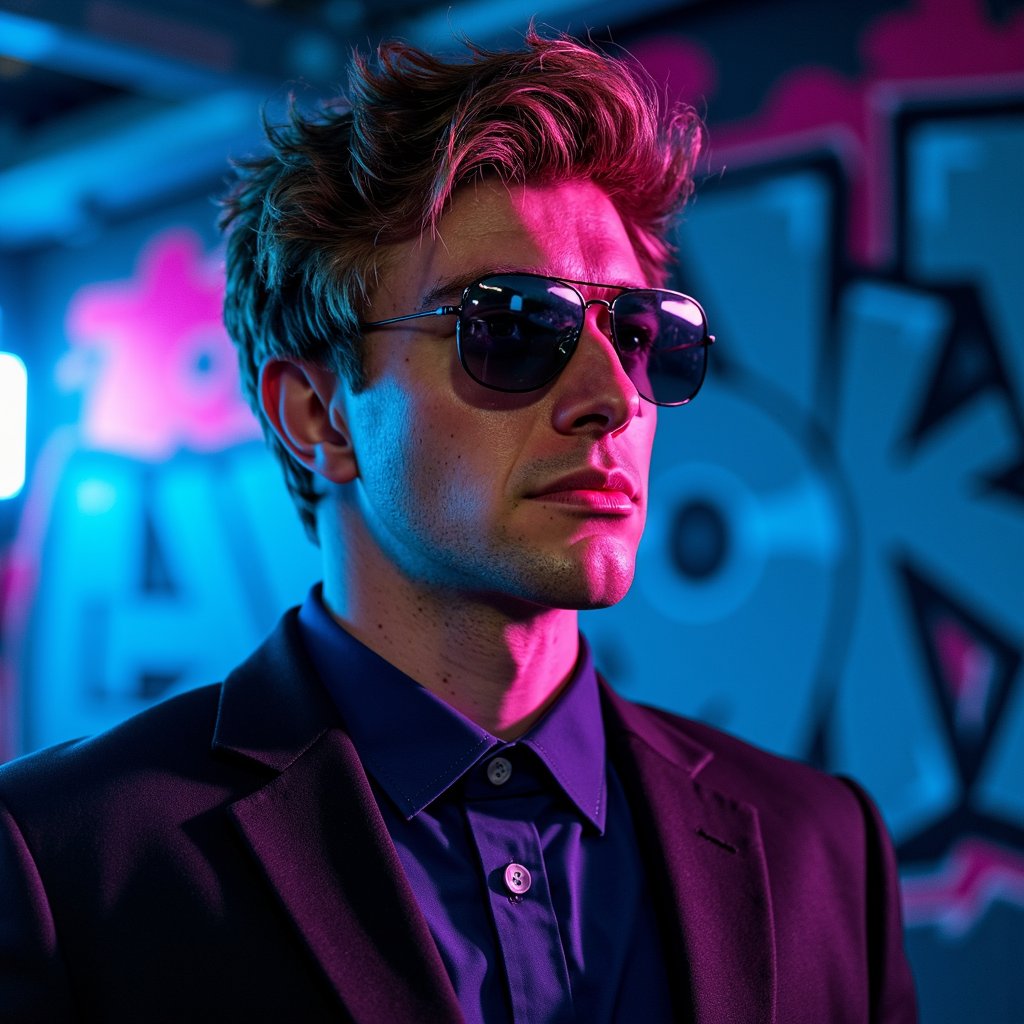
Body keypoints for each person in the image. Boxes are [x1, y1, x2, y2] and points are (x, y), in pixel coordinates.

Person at [0, 30, 916, 1024]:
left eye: (646, 336)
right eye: (514, 327)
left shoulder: (823, 852)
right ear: (319, 415)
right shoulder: (67, 862)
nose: (612, 397)